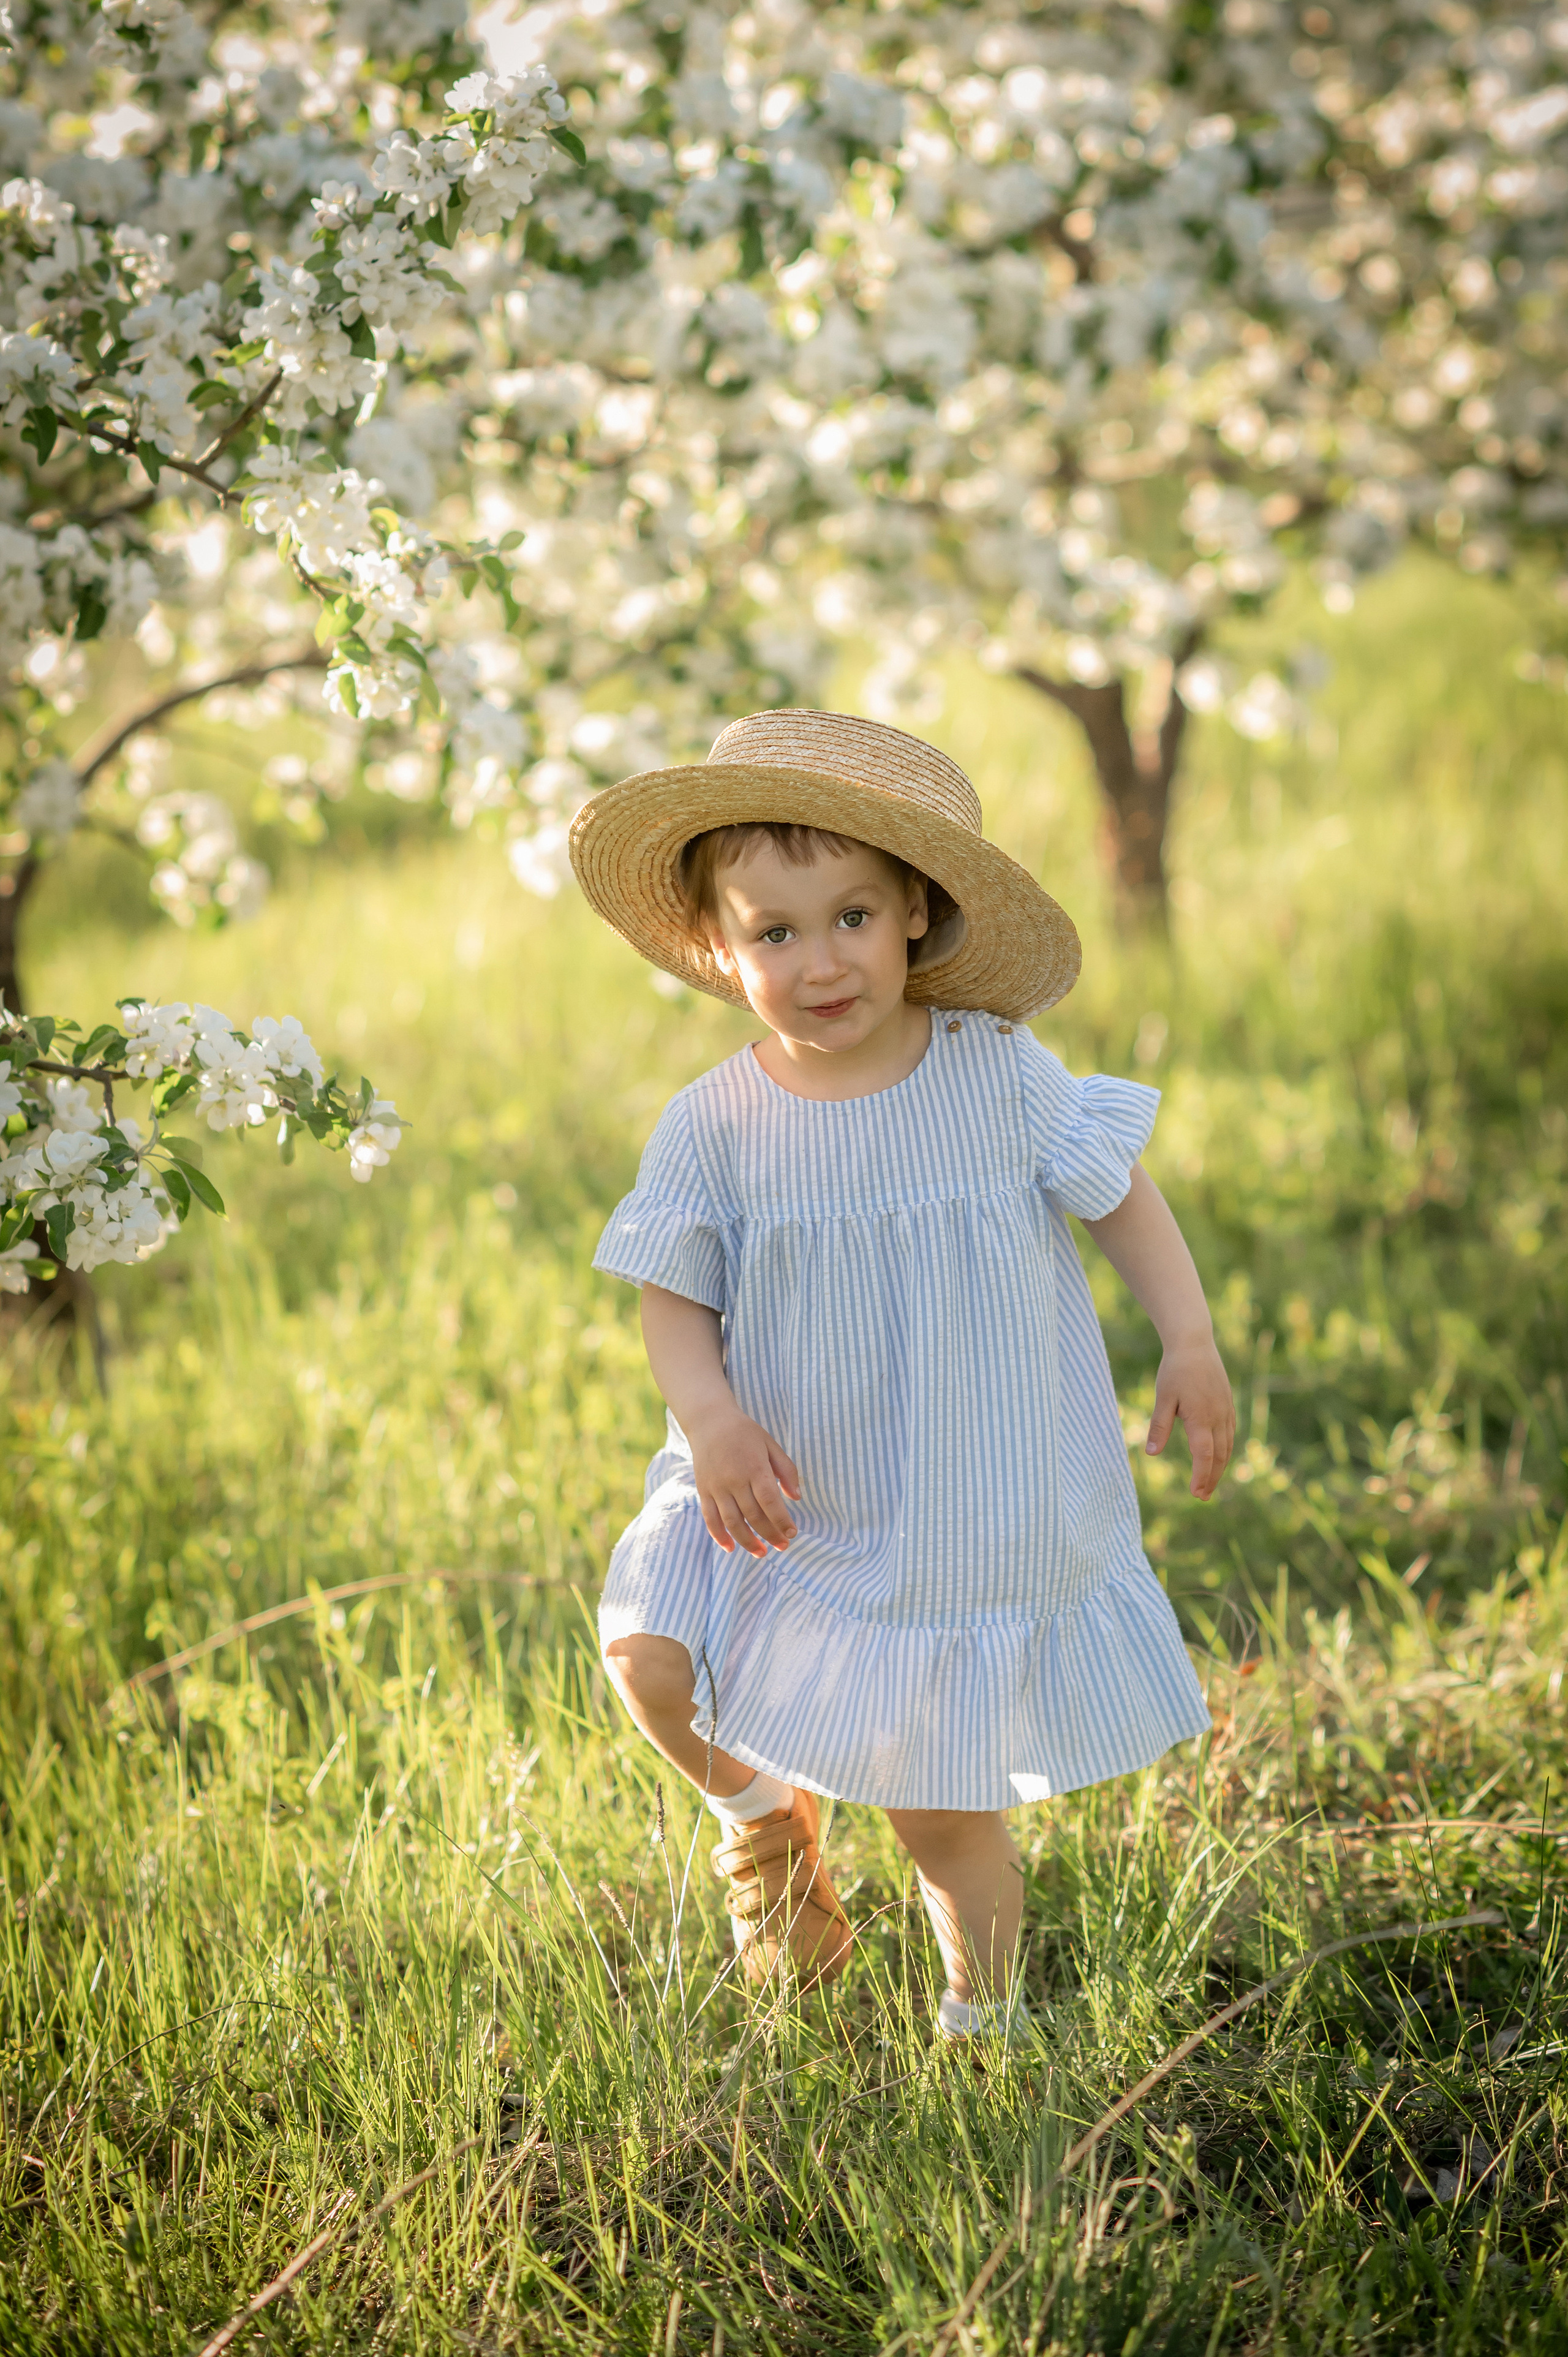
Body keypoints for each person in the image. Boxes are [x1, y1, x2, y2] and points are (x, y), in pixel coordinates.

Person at [568, 708, 1234, 2042]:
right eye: (774, 931)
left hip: (947, 1501)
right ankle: (764, 1828)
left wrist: (1189, 1338)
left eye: (852, 918)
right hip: (773, 1479)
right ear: (715, 946)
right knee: (644, 1654)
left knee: (936, 1806)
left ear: (916, 913)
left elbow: (1117, 1198)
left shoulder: (994, 1075)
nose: (820, 963)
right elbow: (669, 1296)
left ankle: (983, 2022)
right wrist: (707, 1418)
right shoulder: (716, 1121)